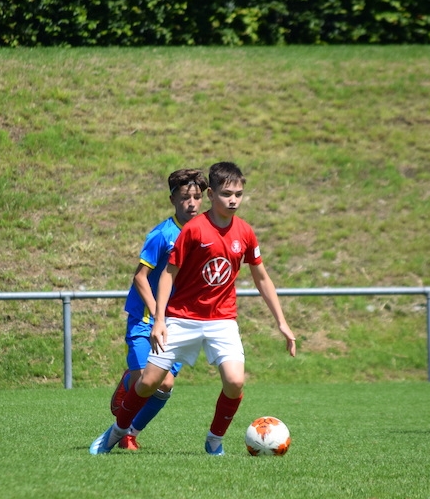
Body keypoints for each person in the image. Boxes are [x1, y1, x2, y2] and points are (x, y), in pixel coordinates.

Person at [91, 161, 297, 455]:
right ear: (213, 194)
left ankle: (214, 441)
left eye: (239, 194)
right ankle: (116, 432)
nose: (234, 199)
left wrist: (282, 322)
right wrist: (159, 318)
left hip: (222, 319)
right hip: (181, 317)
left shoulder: (246, 233)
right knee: (149, 382)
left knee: (235, 382)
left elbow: (262, 277)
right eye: (227, 193)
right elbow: (165, 275)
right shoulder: (191, 231)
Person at [108, 168, 209, 450]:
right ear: (172, 200)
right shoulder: (162, 235)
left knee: (165, 385)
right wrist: (156, 315)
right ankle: (131, 380)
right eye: (185, 197)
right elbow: (140, 277)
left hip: (179, 321)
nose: (192, 203)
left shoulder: (204, 234)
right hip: (146, 319)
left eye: (197, 197)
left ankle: (130, 434)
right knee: (147, 382)